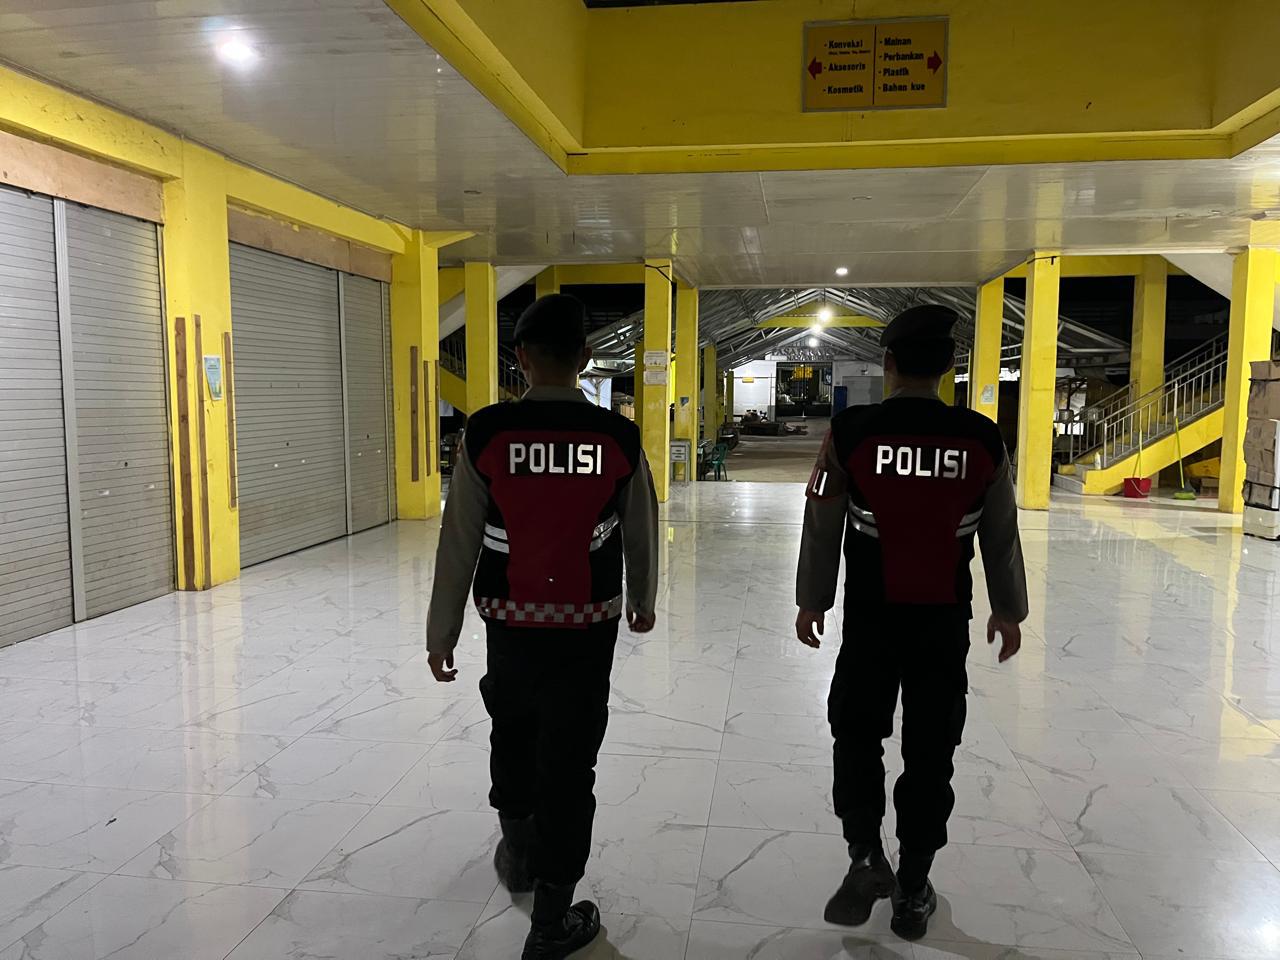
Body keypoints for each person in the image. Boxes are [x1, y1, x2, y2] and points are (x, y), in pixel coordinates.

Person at [426, 294, 659, 960]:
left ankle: (518, 847)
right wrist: (642, 597)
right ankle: (553, 915)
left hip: (510, 621)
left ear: (520, 358)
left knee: (513, 726)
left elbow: (458, 540)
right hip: (587, 624)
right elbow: (640, 525)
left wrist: (441, 633)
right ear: (584, 357)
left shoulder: (487, 433)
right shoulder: (616, 437)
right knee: (571, 757)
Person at [794, 304, 1027, 942]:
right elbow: (1001, 534)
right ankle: (914, 886)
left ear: (889, 363)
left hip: (871, 620)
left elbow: (822, 522)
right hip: (943, 622)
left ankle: (866, 855)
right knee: (931, 749)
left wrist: (812, 600)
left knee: (855, 732)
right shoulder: (982, 440)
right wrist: (1009, 608)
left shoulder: (852, 432)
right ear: (948, 367)